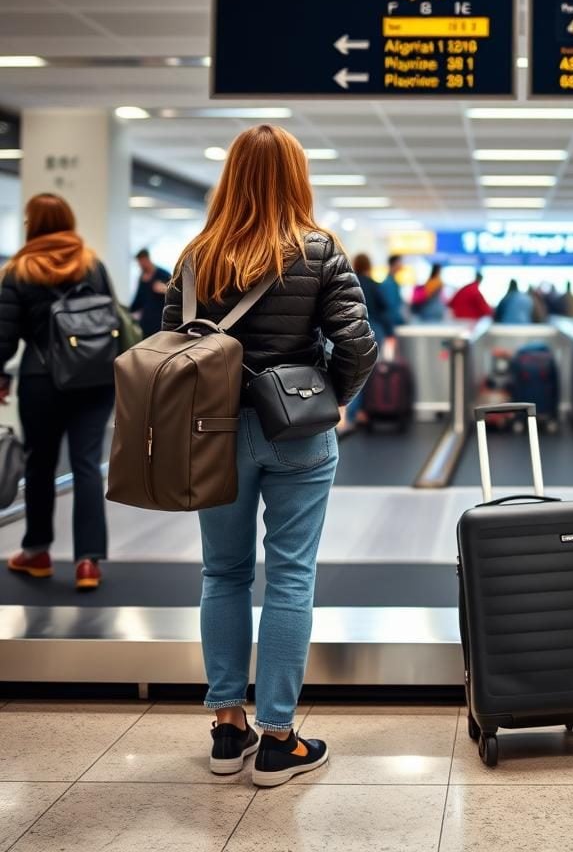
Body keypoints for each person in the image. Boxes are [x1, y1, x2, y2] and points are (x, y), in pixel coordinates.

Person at [162, 124, 377, 786]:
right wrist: (326, 400)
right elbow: (358, 345)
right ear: (296, 177)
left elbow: (171, 347)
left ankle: (228, 729)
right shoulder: (319, 250)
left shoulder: (197, 257)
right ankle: (280, 739)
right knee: (290, 576)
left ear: (230, 178)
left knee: (222, 573)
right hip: (297, 433)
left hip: (214, 433)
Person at [0, 194, 116, 591]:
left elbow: (4, 335)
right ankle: (88, 562)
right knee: (87, 466)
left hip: (42, 379)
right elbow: (110, 317)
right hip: (96, 378)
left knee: (40, 465)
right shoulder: (91, 263)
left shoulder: (19, 270)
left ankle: (37, 552)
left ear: (32, 224)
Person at [344, 253, 393, 429]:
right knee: (370, 371)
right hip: (374, 329)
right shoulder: (373, 284)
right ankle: (367, 409)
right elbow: (385, 308)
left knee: (354, 371)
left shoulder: (348, 282)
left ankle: (353, 412)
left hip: (353, 329)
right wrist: (390, 332)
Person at [130, 247, 172, 338]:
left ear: (147, 259)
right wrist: (127, 312)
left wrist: (165, 289)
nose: (140, 266)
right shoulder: (142, 277)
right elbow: (138, 300)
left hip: (160, 323)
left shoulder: (163, 274)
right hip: (146, 324)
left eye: (141, 263)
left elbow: (176, 294)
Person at [379, 254, 406, 330]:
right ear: (394, 263)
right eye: (399, 262)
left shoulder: (393, 282)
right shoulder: (388, 284)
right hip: (392, 323)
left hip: (392, 322)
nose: (401, 265)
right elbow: (390, 307)